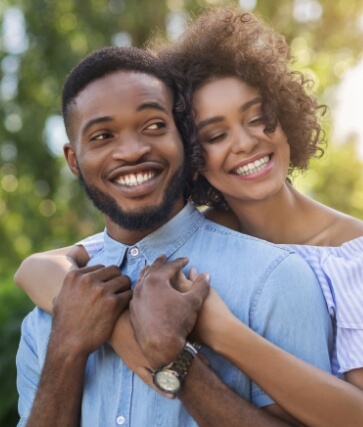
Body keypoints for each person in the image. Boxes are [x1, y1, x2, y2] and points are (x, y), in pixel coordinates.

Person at [15, 7, 363, 427]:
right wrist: (95, 329)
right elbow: (47, 266)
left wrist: (200, 342)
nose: (246, 142)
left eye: (257, 117)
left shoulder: (308, 270)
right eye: (216, 135)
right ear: (194, 153)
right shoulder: (85, 283)